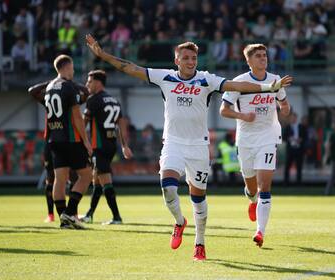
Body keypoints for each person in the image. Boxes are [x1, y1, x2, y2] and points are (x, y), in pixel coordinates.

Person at [86, 34, 292, 260]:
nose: (190, 61)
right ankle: (179, 222)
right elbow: (131, 68)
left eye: (194, 57)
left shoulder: (205, 79)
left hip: (198, 147)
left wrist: (266, 87)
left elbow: (236, 85)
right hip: (173, 143)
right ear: (177, 60)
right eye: (185, 58)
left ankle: (200, 244)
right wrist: (103, 55)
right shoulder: (165, 77)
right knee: (168, 188)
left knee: (198, 199)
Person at [220, 44, 291, 247]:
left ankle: (260, 231)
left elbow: (283, 103)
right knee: (251, 188)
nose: (263, 59)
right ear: (249, 61)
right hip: (246, 139)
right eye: (258, 56)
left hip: (268, 137)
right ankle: (252, 201)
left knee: (264, 186)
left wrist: (285, 108)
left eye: (264, 55)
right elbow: (223, 110)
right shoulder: (239, 82)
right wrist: (242, 115)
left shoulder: (275, 80)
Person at [31, 54, 92, 229]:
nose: (73, 71)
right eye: (72, 68)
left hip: (53, 139)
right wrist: (86, 141)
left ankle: (63, 220)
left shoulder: (49, 87)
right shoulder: (68, 87)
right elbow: (77, 117)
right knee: (86, 175)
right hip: (70, 139)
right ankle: (69, 212)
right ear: (65, 67)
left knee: (59, 178)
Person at [80, 70, 133, 225]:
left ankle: (117, 217)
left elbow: (84, 123)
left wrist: (83, 143)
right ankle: (89, 214)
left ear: (98, 82)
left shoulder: (93, 100)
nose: (87, 84)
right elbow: (121, 123)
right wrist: (124, 145)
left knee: (105, 181)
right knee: (97, 180)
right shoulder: (114, 100)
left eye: (89, 81)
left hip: (99, 145)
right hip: (111, 145)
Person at [283, 112, 307, 186]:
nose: (293, 119)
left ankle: (299, 183)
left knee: (299, 166)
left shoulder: (301, 126)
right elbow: (284, 137)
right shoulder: (287, 127)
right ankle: (286, 183)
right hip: (290, 149)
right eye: (292, 118)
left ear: (296, 118)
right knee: (287, 166)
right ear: (290, 118)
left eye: (294, 117)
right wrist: (289, 139)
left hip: (299, 149)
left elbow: (305, 136)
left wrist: (300, 139)